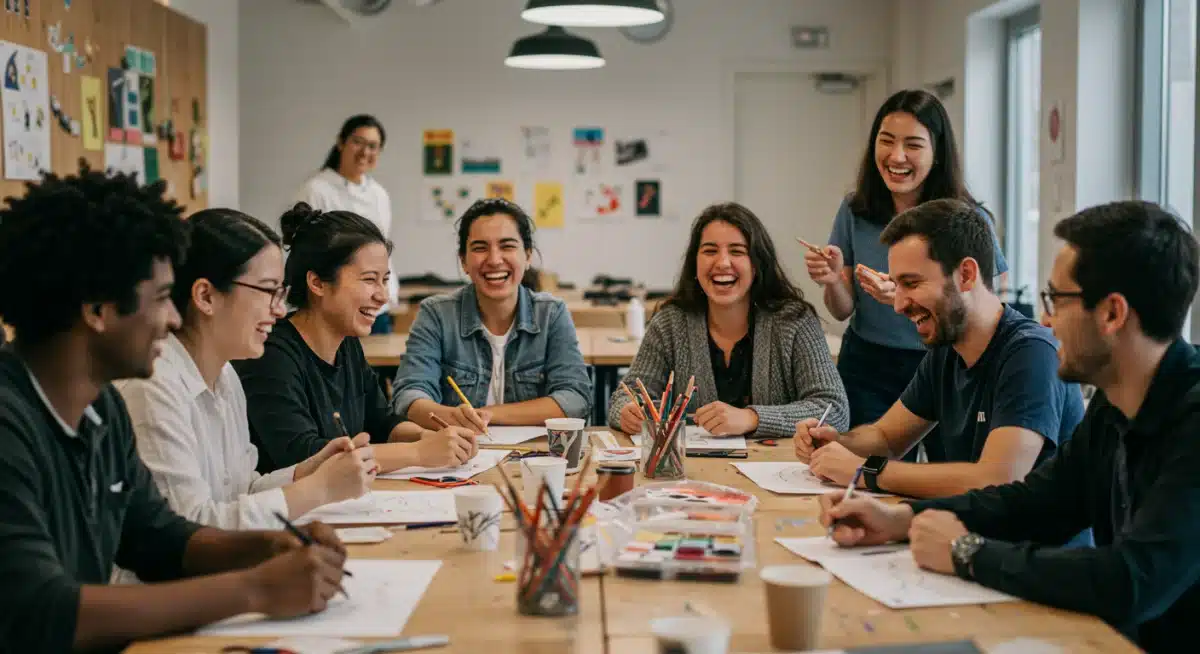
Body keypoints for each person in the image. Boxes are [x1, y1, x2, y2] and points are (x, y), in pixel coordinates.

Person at [818, 201, 1200, 653]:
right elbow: (1038, 501)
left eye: (1056, 300)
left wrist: (967, 553)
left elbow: (1131, 580)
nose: (1046, 319)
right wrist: (901, 520)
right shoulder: (1114, 407)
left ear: (1113, 314)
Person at [0, 163, 349, 652]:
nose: (171, 316)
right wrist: (255, 588)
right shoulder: (10, 425)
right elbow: (41, 611)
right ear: (98, 309)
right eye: (162, 298)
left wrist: (267, 546)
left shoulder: (101, 409)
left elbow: (155, 536)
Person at [795, 199, 1084, 501]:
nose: (898, 304)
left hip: (1029, 546)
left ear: (966, 275)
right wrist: (837, 441)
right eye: (897, 285)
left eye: (912, 283)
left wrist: (866, 472)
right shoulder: (948, 351)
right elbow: (886, 438)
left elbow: (997, 479)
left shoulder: (1031, 353)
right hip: (970, 538)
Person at [115, 209, 376, 533]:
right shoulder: (153, 389)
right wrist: (318, 489)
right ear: (206, 296)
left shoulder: (225, 378)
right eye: (268, 291)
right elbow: (191, 532)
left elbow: (240, 491)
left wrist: (307, 472)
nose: (279, 309)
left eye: (280, 293)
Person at [803, 89, 1010, 451]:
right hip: (869, 363)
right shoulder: (856, 209)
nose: (896, 156)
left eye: (913, 144)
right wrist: (834, 279)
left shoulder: (965, 220)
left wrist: (902, 294)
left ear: (937, 152)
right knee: (862, 469)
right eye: (886, 141)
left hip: (949, 359)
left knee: (950, 474)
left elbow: (992, 303)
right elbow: (842, 309)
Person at [235, 203, 476, 474]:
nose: (382, 296)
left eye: (384, 280)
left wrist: (428, 438)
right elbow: (302, 456)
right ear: (317, 283)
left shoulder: (346, 343)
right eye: (369, 280)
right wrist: (418, 452)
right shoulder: (270, 355)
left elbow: (382, 422)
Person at [608, 202, 849, 438]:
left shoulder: (794, 321)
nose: (722, 263)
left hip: (774, 471)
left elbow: (834, 410)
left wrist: (752, 418)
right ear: (695, 262)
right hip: (691, 471)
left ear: (757, 264)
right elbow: (625, 396)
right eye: (710, 251)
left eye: (737, 251)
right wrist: (628, 412)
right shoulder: (671, 322)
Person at [392, 198, 591, 431]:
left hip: (534, 460)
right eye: (480, 248)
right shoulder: (436, 314)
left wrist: (487, 415)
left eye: (507, 246)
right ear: (463, 261)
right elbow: (408, 396)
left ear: (527, 256)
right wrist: (453, 417)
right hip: (457, 456)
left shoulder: (551, 313)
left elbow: (575, 399)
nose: (495, 260)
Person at [296, 114, 398, 319]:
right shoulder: (316, 189)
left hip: (377, 306)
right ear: (341, 142)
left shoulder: (379, 194)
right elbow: (305, 251)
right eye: (357, 142)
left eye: (373, 146)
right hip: (335, 304)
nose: (364, 152)